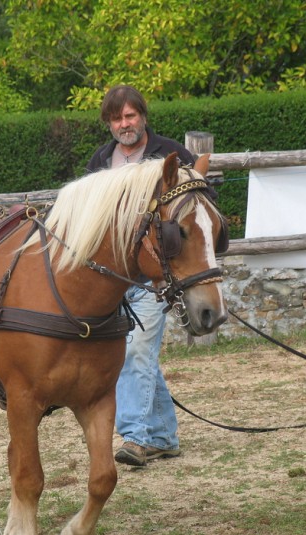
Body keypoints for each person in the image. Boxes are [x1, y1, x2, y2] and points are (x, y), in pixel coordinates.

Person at [86, 85, 194, 467]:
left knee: (134, 351)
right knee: (140, 355)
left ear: (143, 116)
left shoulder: (172, 155)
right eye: (116, 118)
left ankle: (135, 438)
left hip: (156, 275)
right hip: (114, 278)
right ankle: (164, 436)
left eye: (130, 116)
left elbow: (195, 205)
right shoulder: (101, 160)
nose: (123, 124)